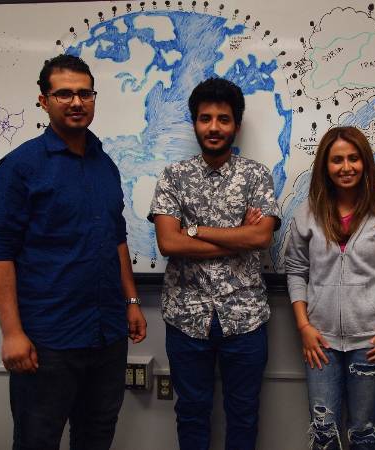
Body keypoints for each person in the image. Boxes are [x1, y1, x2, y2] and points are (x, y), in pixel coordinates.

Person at [0, 54, 147, 450]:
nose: (76, 102)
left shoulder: (105, 164)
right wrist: (12, 333)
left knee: (96, 437)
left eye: (84, 93)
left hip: (106, 336)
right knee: (37, 440)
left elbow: (117, 237)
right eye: (64, 94)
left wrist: (131, 300)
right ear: (44, 101)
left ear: (94, 97)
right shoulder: (19, 167)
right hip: (47, 341)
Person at [148, 77, 280, 450]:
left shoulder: (257, 175)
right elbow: (167, 242)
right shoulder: (173, 177)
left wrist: (193, 232)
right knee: (191, 411)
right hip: (186, 318)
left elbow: (261, 238)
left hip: (246, 318)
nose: (214, 127)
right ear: (194, 123)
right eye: (205, 118)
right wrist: (237, 236)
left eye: (223, 119)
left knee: (244, 414)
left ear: (236, 125)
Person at [285, 126, 375, 450]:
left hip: (373, 340)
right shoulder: (308, 214)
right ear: (325, 167)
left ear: (365, 163)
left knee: (363, 432)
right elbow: (296, 272)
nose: (346, 167)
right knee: (324, 432)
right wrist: (303, 326)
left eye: (354, 158)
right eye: (337, 160)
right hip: (321, 342)